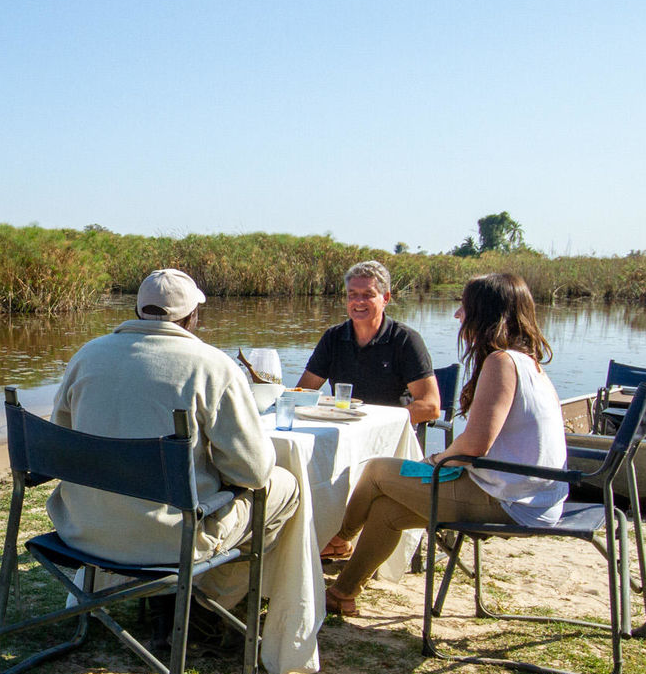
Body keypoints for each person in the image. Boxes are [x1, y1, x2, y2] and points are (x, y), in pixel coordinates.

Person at [48, 269, 300, 608]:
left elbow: (60, 447)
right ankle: (209, 603)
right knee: (283, 486)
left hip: (80, 529)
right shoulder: (213, 366)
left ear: (138, 310)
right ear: (192, 316)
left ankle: (164, 596)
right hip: (171, 541)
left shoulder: (86, 356)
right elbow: (252, 473)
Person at [321, 272, 566, 615]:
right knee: (386, 511)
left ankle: (335, 540)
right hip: (527, 492)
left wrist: (435, 460)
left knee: (376, 469)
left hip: (513, 500)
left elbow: (475, 444)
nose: (458, 316)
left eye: (464, 308)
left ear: (485, 313)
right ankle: (342, 594)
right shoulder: (528, 362)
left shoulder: (502, 362)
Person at [297, 260, 442, 422]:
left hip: (391, 435)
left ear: (385, 298)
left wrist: (372, 422)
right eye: (353, 295)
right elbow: (302, 394)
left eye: (368, 295)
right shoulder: (333, 337)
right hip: (342, 430)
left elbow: (431, 407)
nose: (359, 301)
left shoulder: (406, 339)